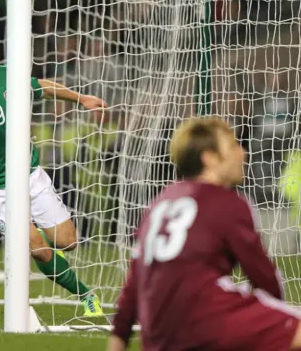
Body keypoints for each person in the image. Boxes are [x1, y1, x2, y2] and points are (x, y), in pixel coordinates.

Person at [0, 19, 107, 316]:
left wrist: (82, 99)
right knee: (37, 246)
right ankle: (87, 296)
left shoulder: (7, 76)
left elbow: (43, 87)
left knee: (68, 241)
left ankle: (43, 249)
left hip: (28, 172)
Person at [108, 117, 301, 351]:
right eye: (232, 146)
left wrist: (118, 337)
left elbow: (135, 279)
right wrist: (278, 321)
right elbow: (263, 277)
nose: (242, 152)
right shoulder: (227, 202)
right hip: (206, 318)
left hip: (158, 334)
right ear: (209, 158)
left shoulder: (162, 201)